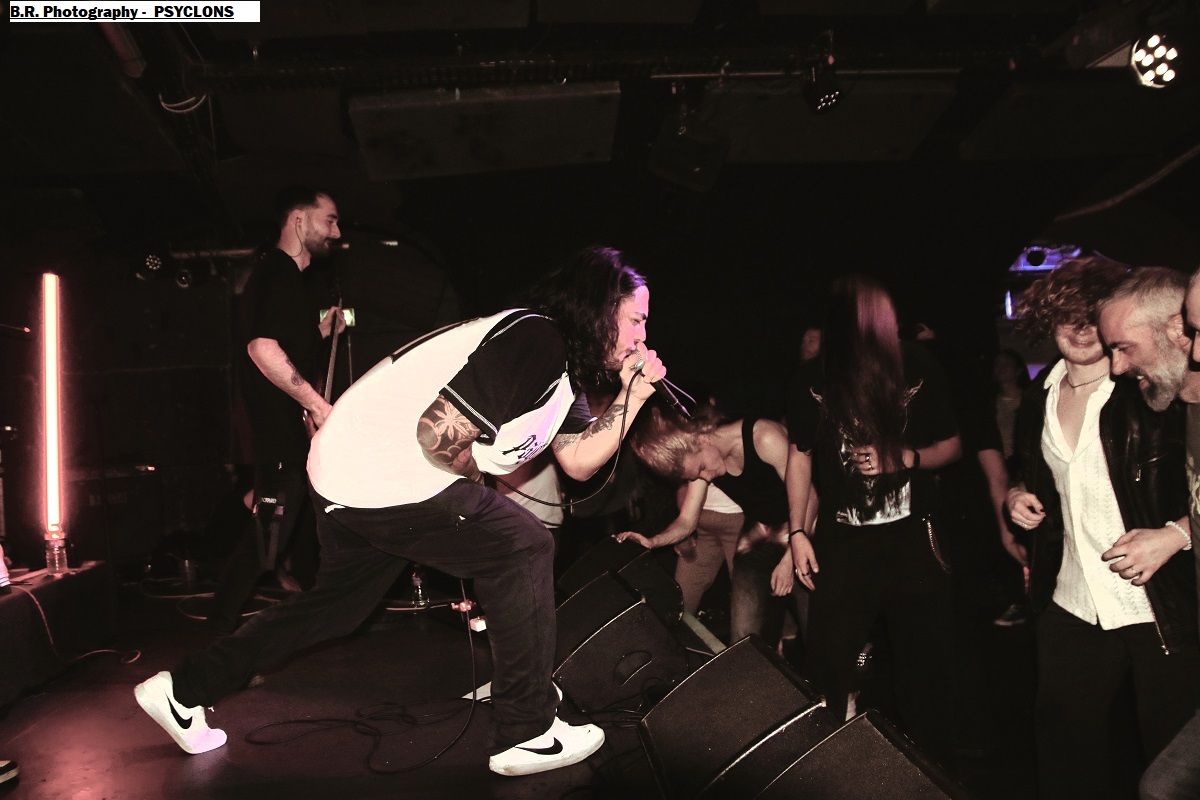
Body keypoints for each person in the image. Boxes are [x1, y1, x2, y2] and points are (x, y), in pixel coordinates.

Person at [135, 245, 668, 777]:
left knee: (333, 608)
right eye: (636, 319)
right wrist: (478, 503)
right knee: (524, 545)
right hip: (385, 468)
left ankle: (183, 689)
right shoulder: (538, 338)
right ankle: (526, 731)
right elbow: (438, 435)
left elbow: (579, 461)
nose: (641, 336)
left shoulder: (564, 377)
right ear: (599, 308)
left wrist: (636, 396)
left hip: (349, 472)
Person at [1007, 260, 1200, 800]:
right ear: (1047, 320)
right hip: (1072, 598)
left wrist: (1176, 533)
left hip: (1156, 601)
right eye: (1065, 314)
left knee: (1168, 759)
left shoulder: (1153, 386)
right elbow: (1037, 474)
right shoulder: (1038, 397)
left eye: (1091, 315)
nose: (1080, 327)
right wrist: (1016, 494)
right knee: (1065, 752)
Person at [784, 275, 962, 764]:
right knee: (829, 664)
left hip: (914, 543)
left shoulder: (916, 364)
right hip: (843, 544)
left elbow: (953, 445)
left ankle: (931, 772)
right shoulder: (811, 378)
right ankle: (827, 766)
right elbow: (800, 455)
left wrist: (907, 458)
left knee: (925, 670)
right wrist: (797, 531)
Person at [207, 186, 344, 634]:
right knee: (263, 545)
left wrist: (320, 332)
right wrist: (318, 405)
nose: (336, 233)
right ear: (299, 221)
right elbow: (263, 349)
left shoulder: (287, 281)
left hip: (285, 436)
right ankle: (215, 643)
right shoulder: (277, 273)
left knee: (275, 539)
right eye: (329, 220)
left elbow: (285, 346)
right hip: (278, 437)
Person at [1095, 265, 1200, 800]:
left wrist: (1176, 534)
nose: (1116, 366)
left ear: (1175, 330)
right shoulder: (1187, 404)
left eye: (1122, 347)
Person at [615, 405, 797, 646]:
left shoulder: (764, 437)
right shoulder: (702, 458)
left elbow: (811, 499)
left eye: (701, 468)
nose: (708, 478)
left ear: (701, 439)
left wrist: (791, 558)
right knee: (745, 639)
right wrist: (652, 541)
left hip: (805, 530)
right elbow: (687, 521)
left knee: (819, 631)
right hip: (759, 535)